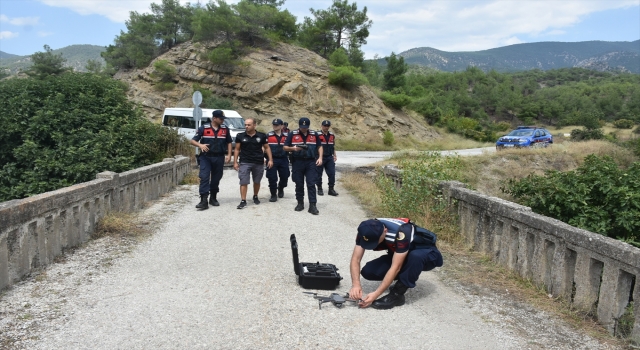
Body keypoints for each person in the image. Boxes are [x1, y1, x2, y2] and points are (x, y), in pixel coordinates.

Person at [349, 218, 443, 309]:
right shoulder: (366, 229)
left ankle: (397, 295)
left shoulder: (402, 232)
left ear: (385, 231)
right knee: (369, 271)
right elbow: (355, 259)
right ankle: (403, 276)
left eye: (375, 242)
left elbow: (395, 267)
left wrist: (376, 294)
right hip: (401, 254)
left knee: (416, 256)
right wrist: (356, 285)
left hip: (428, 254)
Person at [189, 110, 232, 210]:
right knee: (204, 177)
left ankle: (213, 197)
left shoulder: (225, 129)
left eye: (223, 119)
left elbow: (229, 142)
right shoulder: (204, 128)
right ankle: (204, 200)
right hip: (206, 157)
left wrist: (229, 155)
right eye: (221, 119)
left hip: (219, 157)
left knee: (216, 178)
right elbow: (192, 141)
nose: (222, 121)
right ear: (214, 118)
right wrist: (200, 145)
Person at [283, 117, 323, 215]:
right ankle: (300, 203)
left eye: (305, 127)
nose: (303, 129)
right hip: (298, 162)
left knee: (311, 183)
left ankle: (312, 205)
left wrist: (320, 158)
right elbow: (285, 147)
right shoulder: (292, 134)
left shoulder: (314, 134)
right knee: (299, 183)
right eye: (302, 127)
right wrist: (293, 149)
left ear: (308, 126)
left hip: (310, 162)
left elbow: (319, 146)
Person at [233, 118, 273, 209]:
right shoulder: (240, 136)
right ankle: (243, 200)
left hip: (258, 162)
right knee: (243, 181)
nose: (246, 126)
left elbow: (267, 148)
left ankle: (255, 196)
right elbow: (237, 149)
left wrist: (270, 160)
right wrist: (235, 162)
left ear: (254, 125)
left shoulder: (261, 136)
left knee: (257, 181)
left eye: (249, 125)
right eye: (245, 125)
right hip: (245, 161)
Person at [265, 118, 290, 202]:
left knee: (285, 176)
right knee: (272, 177)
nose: (275, 126)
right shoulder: (268, 135)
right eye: (274, 125)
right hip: (272, 159)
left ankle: (281, 188)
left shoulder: (287, 136)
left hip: (283, 159)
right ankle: (273, 194)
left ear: (282, 126)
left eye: (277, 125)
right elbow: (264, 147)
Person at [316, 120, 338, 196]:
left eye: (327, 126)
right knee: (318, 174)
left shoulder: (332, 135)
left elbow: (333, 146)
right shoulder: (317, 135)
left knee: (332, 173)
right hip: (319, 157)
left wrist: (334, 155)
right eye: (324, 126)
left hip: (329, 157)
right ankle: (319, 188)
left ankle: (331, 189)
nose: (326, 127)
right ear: (321, 126)